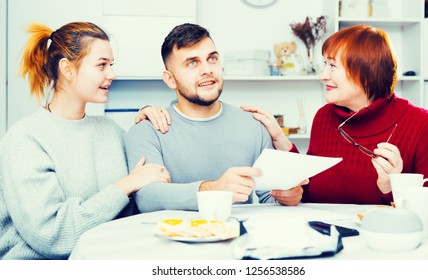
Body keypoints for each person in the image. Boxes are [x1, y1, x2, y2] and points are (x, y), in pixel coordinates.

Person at [0, 22, 170, 260]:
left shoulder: (111, 131)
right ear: (68, 70)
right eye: (102, 65)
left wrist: (145, 126)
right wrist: (126, 185)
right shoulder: (24, 140)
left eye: (111, 65)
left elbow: (137, 203)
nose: (112, 74)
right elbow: (52, 236)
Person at [243, 24, 428, 205]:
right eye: (325, 64)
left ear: (367, 71)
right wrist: (281, 141)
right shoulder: (324, 117)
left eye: (333, 66)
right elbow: (310, 192)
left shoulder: (423, 125)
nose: (323, 76)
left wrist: (391, 188)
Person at [126, 23, 304, 213]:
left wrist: (288, 196)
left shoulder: (253, 125)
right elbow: (146, 198)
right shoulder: (147, 130)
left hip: (238, 239)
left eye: (212, 58)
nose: (207, 69)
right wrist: (213, 189)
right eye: (192, 63)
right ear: (170, 79)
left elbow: (270, 196)